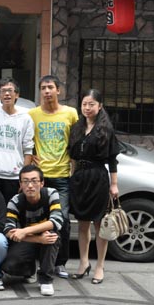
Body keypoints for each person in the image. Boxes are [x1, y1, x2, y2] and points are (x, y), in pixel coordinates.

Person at [28, 74, 78, 279]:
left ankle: (60, 262)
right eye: (43, 88)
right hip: (39, 177)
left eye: (50, 87)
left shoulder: (71, 113)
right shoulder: (32, 114)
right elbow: (26, 141)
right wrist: (30, 157)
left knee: (62, 219)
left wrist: (74, 168)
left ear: (59, 90)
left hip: (62, 176)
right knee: (36, 219)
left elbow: (76, 142)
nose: (47, 91)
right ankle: (34, 261)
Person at [68, 89, 119, 284]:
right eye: (84, 104)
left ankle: (99, 266)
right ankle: (83, 263)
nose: (87, 108)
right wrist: (72, 177)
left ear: (100, 106)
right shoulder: (77, 127)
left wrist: (114, 184)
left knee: (99, 225)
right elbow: (73, 157)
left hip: (98, 178)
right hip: (79, 179)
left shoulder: (105, 129)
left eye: (91, 104)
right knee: (82, 224)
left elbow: (112, 160)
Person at [1, 165, 64, 297]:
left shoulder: (51, 194)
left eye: (34, 181)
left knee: (51, 237)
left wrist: (25, 231)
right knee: (9, 266)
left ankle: (46, 280)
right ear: (20, 184)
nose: (30, 186)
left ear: (42, 183)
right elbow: (8, 230)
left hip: (44, 235)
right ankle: (30, 270)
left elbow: (56, 221)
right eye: (25, 181)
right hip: (29, 239)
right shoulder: (15, 201)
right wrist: (36, 238)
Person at [0, 78, 34, 202]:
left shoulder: (25, 119)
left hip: (14, 176)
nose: (7, 94)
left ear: (17, 95)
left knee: (12, 210)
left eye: (10, 91)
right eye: (3, 91)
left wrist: (24, 178)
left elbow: (28, 150)